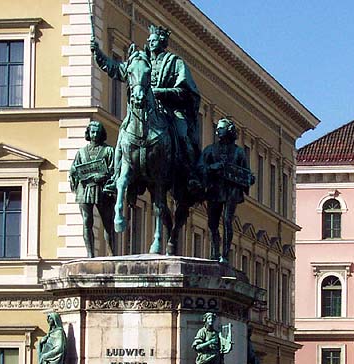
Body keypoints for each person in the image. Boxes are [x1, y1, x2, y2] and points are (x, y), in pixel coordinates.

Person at [91, 24, 202, 194]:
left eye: (154, 40)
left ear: (162, 42)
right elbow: (116, 69)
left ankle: (191, 174)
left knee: (182, 134)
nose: (150, 42)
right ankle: (116, 176)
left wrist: (161, 92)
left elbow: (185, 90)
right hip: (142, 109)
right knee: (122, 135)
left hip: (169, 110)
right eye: (149, 40)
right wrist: (98, 53)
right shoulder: (141, 61)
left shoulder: (175, 63)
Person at [200, 118, 255, 264]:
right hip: (214, 190)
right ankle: (214, 252)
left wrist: (249, 178)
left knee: (227, 221)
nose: (218, 130)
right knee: (212, 223)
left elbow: (247, 173)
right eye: (217, 128)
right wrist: (213, 167)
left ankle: (224, 255)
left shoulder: (239, 152)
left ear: (230, 130)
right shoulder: (210, 150)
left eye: (222, 128)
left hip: (231, 191)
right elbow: (200, 168)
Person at [69, 121, 115, 257]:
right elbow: (75, 169)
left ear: (102, 134)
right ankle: (90, 254)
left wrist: (102, 176)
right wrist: (73, 172)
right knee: (86, 221)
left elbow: (114, 170)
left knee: (108, 223)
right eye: (92, 132)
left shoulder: (108, 151)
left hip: (103, 190)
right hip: (85, 189)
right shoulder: (81, 152)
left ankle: (111, 253)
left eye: (97, 132)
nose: (95, 135)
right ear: (88, 134)